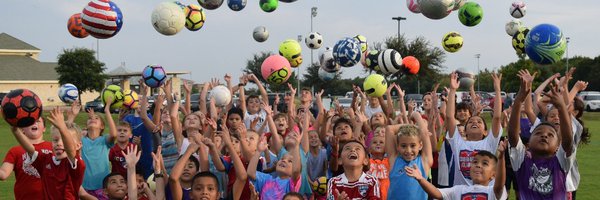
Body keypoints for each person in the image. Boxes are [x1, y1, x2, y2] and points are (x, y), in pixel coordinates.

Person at [508, 70, 574, 199]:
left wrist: (561, 107)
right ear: (527, 145)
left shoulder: (561, 161)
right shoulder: (521, 162)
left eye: (550, 135)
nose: (544, 136)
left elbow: (567, 142)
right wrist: (519, 99)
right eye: (538, 133)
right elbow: (513, 136)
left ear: (557, 147)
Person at [12, 108, 85, 199]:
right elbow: (31, 150)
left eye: (63, 140)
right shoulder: (46, 160)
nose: (59, 143)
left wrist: (62, 126)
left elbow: (70, 149)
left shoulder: (75, 164)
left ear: (78, 145)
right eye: (55, 140)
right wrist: (15, 131)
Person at [445, 72, 503, 186]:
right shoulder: (458, 143)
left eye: (479, 122)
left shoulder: (489, 143)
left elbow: (496, 117)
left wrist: (497, 90)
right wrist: (452, 90)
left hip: (485, 194)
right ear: (465, 131)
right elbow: (449, 117)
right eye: (470, 121)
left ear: (486, 131)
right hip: (462, 195)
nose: (474, 122)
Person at [406, 148, 508, 200]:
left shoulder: (492, 191)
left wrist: (501, 158)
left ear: (493, 175)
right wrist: (421, 179)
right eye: (475, 162)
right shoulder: (459, 189)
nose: (478, 165)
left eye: (485, 163)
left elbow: (499, 185)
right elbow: (436, 193)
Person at [0, 117, 51, 200]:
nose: (35, 123)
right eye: (30, 122)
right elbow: (3, 174)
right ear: (22, 129)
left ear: (44, 128)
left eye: (38, 121)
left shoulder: (53, 148)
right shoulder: (15, 151)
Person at [386, 112, 433, 200]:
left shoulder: (425, 161)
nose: (408, 150)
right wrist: (414, 127)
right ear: (397, 146)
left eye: (413, 145)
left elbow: (424, 133)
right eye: (403, 146)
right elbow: (389, 129)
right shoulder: (394, 159)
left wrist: (416, 115)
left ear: (420, 146)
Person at [82, 98, 117, 199]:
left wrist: (107, 111)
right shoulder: (81, 140)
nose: (92, 119)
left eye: (97, 119)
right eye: (90, 119)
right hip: (84, 187)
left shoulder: (104, 140)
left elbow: (114, 134)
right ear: (86, 126)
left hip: (102, 187)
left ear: (102, 126)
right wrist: (73, 116)